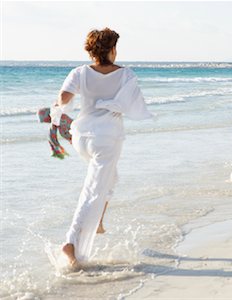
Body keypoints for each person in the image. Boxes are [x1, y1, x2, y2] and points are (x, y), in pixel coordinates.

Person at [57, 28, 152, 267]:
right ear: (111, 50)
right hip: (106, 138)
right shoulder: (126, 75)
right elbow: (132, 104)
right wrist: (112, 104)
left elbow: (63, 99)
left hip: (82, 136)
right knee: (93, 190)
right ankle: (70, 242)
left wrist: (61, 114)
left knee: (109, 179)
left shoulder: (79, 72)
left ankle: (97, 221)